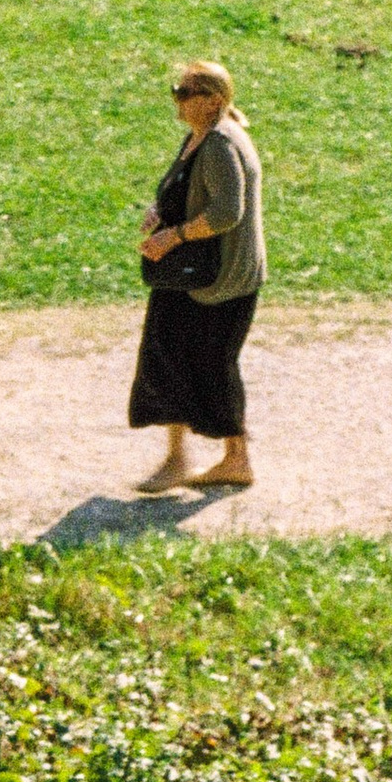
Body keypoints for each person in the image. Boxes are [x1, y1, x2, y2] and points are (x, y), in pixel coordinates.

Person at [131, 60, 265, 491]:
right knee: (167, 356)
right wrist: (163, 210)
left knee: (210, 365)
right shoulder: (201, 136)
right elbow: (192, 190)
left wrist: (173, 236)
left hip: (218, 279)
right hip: (194, 274)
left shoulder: (221, 144)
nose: (177, 98)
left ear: (214, 101)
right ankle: (177, 458)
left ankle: (235, 460)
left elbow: (227, 212)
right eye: (177, 89)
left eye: (186, 91)